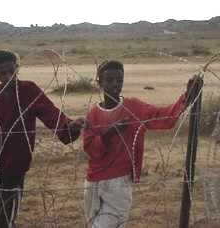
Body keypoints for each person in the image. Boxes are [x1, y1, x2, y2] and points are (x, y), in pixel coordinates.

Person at [83, 60, 201, 228]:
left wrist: (185, 99)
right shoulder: (93, 114)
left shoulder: (134, 108)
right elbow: (90, 148)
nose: (115, 85)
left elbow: (164, 117)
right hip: (93, 182)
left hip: (119, 182)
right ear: (99, 82)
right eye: (109, 80)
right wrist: (111, 132)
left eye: (119, 80)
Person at [0, 50, 85, 228]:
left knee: (7, 214)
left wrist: (68, 125)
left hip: (15, 161)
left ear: (17, 69)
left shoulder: (28, 90)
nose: (7, 77)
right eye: (2, 73)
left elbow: (49, 112)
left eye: (11, 71)